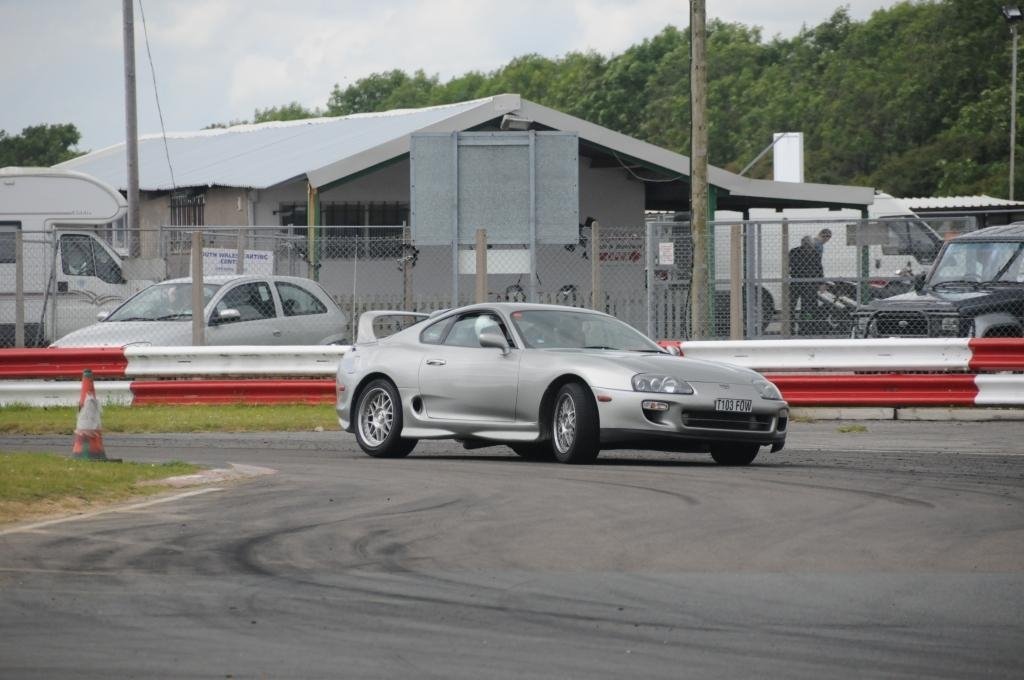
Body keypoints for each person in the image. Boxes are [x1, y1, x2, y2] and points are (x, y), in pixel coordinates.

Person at [789, 235, 824, 334]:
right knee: (791, 305)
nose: (808, 249)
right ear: (802, 245)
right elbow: (789, 265)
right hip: (796, 282)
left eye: (810, 246)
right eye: (806, 246)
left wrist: (821, 282)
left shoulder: (815, 254)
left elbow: (819, 269)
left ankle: (805, 326)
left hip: (809, 284)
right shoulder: (794, 252)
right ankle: (790, 326)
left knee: (807, 306)